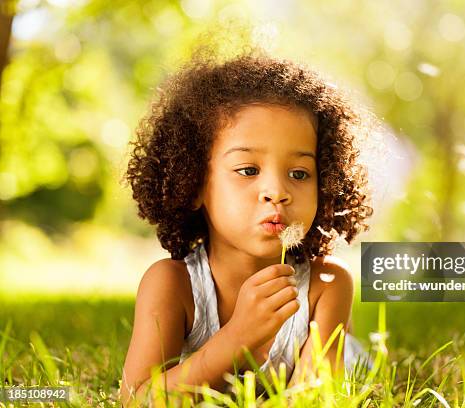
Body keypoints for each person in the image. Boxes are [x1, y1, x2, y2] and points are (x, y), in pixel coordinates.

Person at [119, 49, 374, 405]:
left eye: (299, 173)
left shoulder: (326, 286)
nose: (277, 192)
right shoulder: (171, 285)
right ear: (193, 184)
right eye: (248, 170)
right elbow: (136, 399)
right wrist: (239, 335)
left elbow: (315, 396)